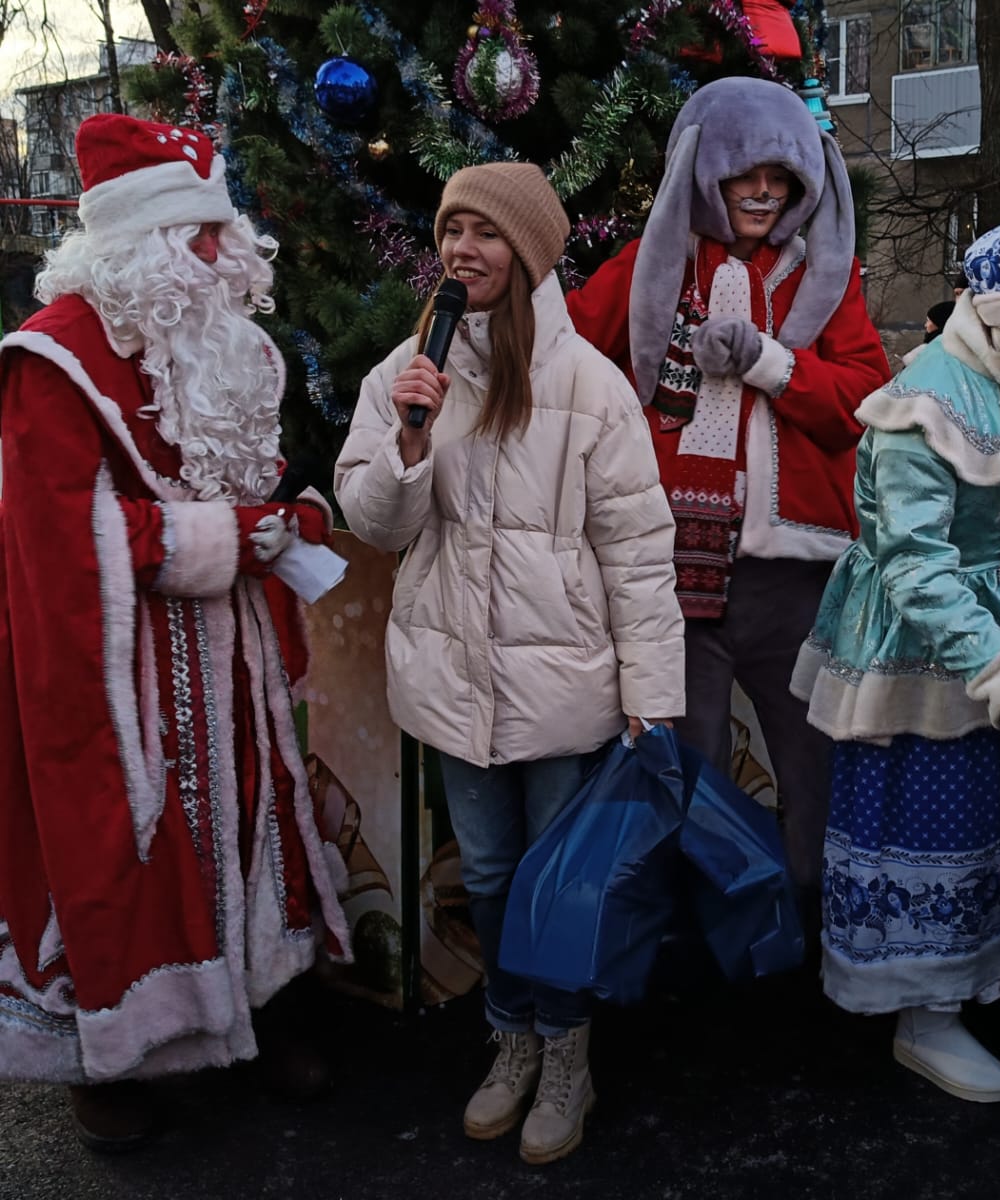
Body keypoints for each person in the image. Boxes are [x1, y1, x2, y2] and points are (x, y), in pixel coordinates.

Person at [0, 114, 349, 1149]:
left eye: (219, 232)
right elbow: (55, 536)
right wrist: (228, 540)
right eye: (191, 236)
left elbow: (243, 483)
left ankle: (259, 1008)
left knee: (252, 814)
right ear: (132, 243)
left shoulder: (225, 345)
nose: (215, 254)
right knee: (127, 838)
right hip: (120, 667)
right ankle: (107, 1055)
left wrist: (287, 523)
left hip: (231, 654)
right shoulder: (52, 357)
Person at [335, 162, 685, 1166]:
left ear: (527, 254)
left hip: (567, 689)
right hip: (455, 681)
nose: (462, 251)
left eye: (486, 233)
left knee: (557, 883)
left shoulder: (590, 388)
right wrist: (409, 437)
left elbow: (634, 549)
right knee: (488, 873)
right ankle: (514, 1034)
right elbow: (376, 522)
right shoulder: (409, 373)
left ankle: (567, 1052)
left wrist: (650, 698)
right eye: (451, 231)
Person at [791, 213, 1000, 1103]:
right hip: (927, 650)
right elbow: (914, 565)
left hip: (996, 634)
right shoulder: (924, 402)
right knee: (932, 822)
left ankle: (978, 975)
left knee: (991, 817)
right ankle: (920, 1012)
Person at [566, 78, 890, 914]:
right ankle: (706, 929)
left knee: (812, 761)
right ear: (705, 170)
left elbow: (863, 397)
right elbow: (563, 350)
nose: (764, 194)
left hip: (795, 577)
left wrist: (769, 364)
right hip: (678, 572)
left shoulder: (826, 273)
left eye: (782, 181)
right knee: (688, 762)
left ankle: (813, 925)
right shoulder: (654, 265)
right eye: (747, 174)